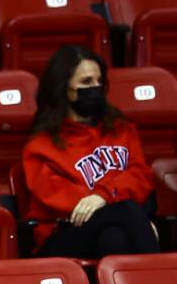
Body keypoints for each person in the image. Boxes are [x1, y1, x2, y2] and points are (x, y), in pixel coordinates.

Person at [22, 45, 159, 258]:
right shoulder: (40, 147)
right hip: (63, 235)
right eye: (86, 82)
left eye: (98, 81)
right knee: (129, 212)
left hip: (112, 228)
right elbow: (66, 201)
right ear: (63, 88)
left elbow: (140, 176)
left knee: (115, 238)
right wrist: (132, 216)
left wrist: (105, 196)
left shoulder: (122, 130)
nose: (95, 87)